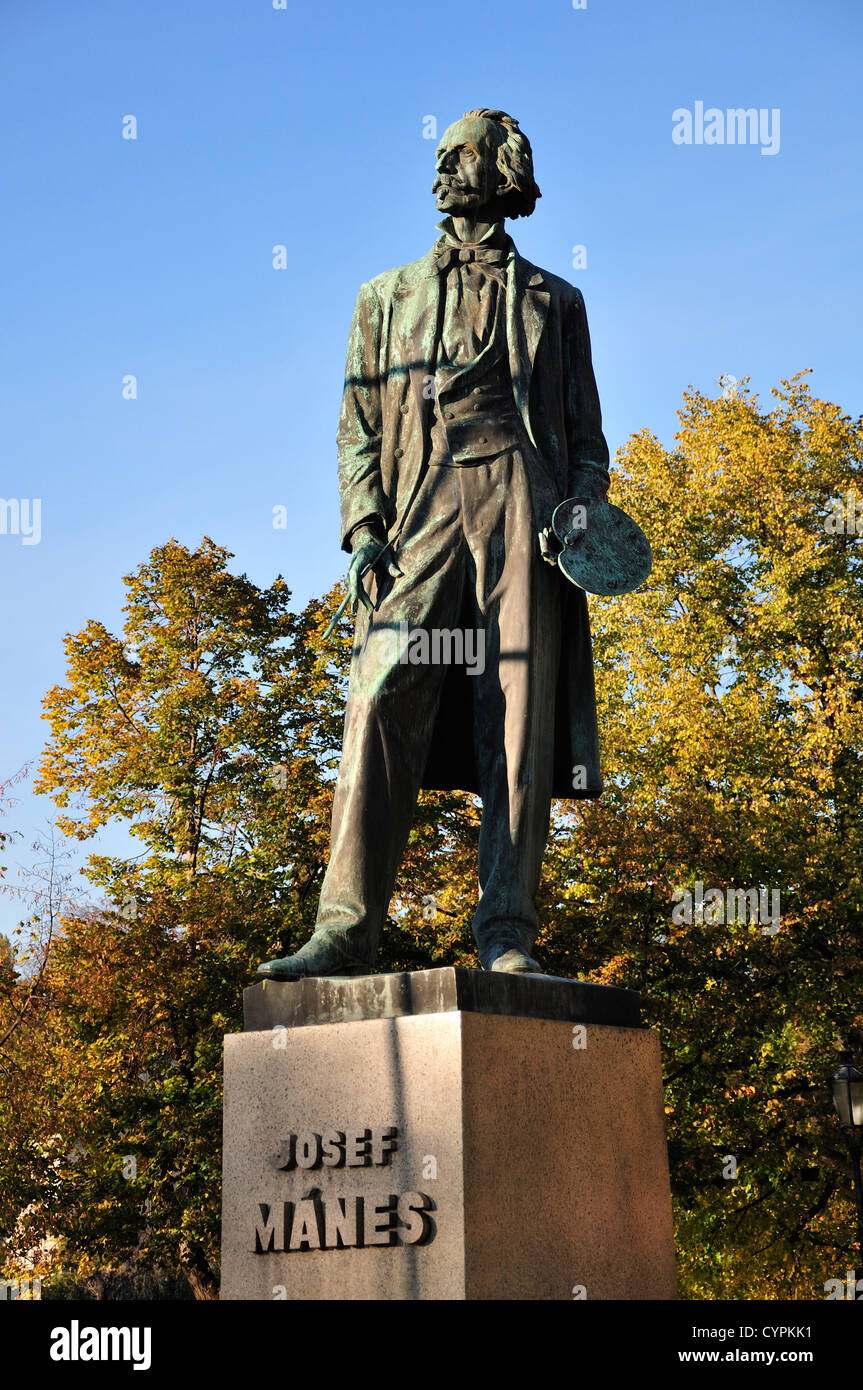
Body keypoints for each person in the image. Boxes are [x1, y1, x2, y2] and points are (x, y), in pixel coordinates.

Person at [258, 108, 610, 981]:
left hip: (524, 504)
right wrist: (364, 524)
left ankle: (506, 932)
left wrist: (583, 509)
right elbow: (356, 424)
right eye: (441, 157)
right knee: (379, 697)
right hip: (421, 508)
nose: (443, 171)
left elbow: (588, 439)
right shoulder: (384, 297)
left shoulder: (556, 304)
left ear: (504, 172)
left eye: (460, 156)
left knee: (518, 720)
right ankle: (344, 929)